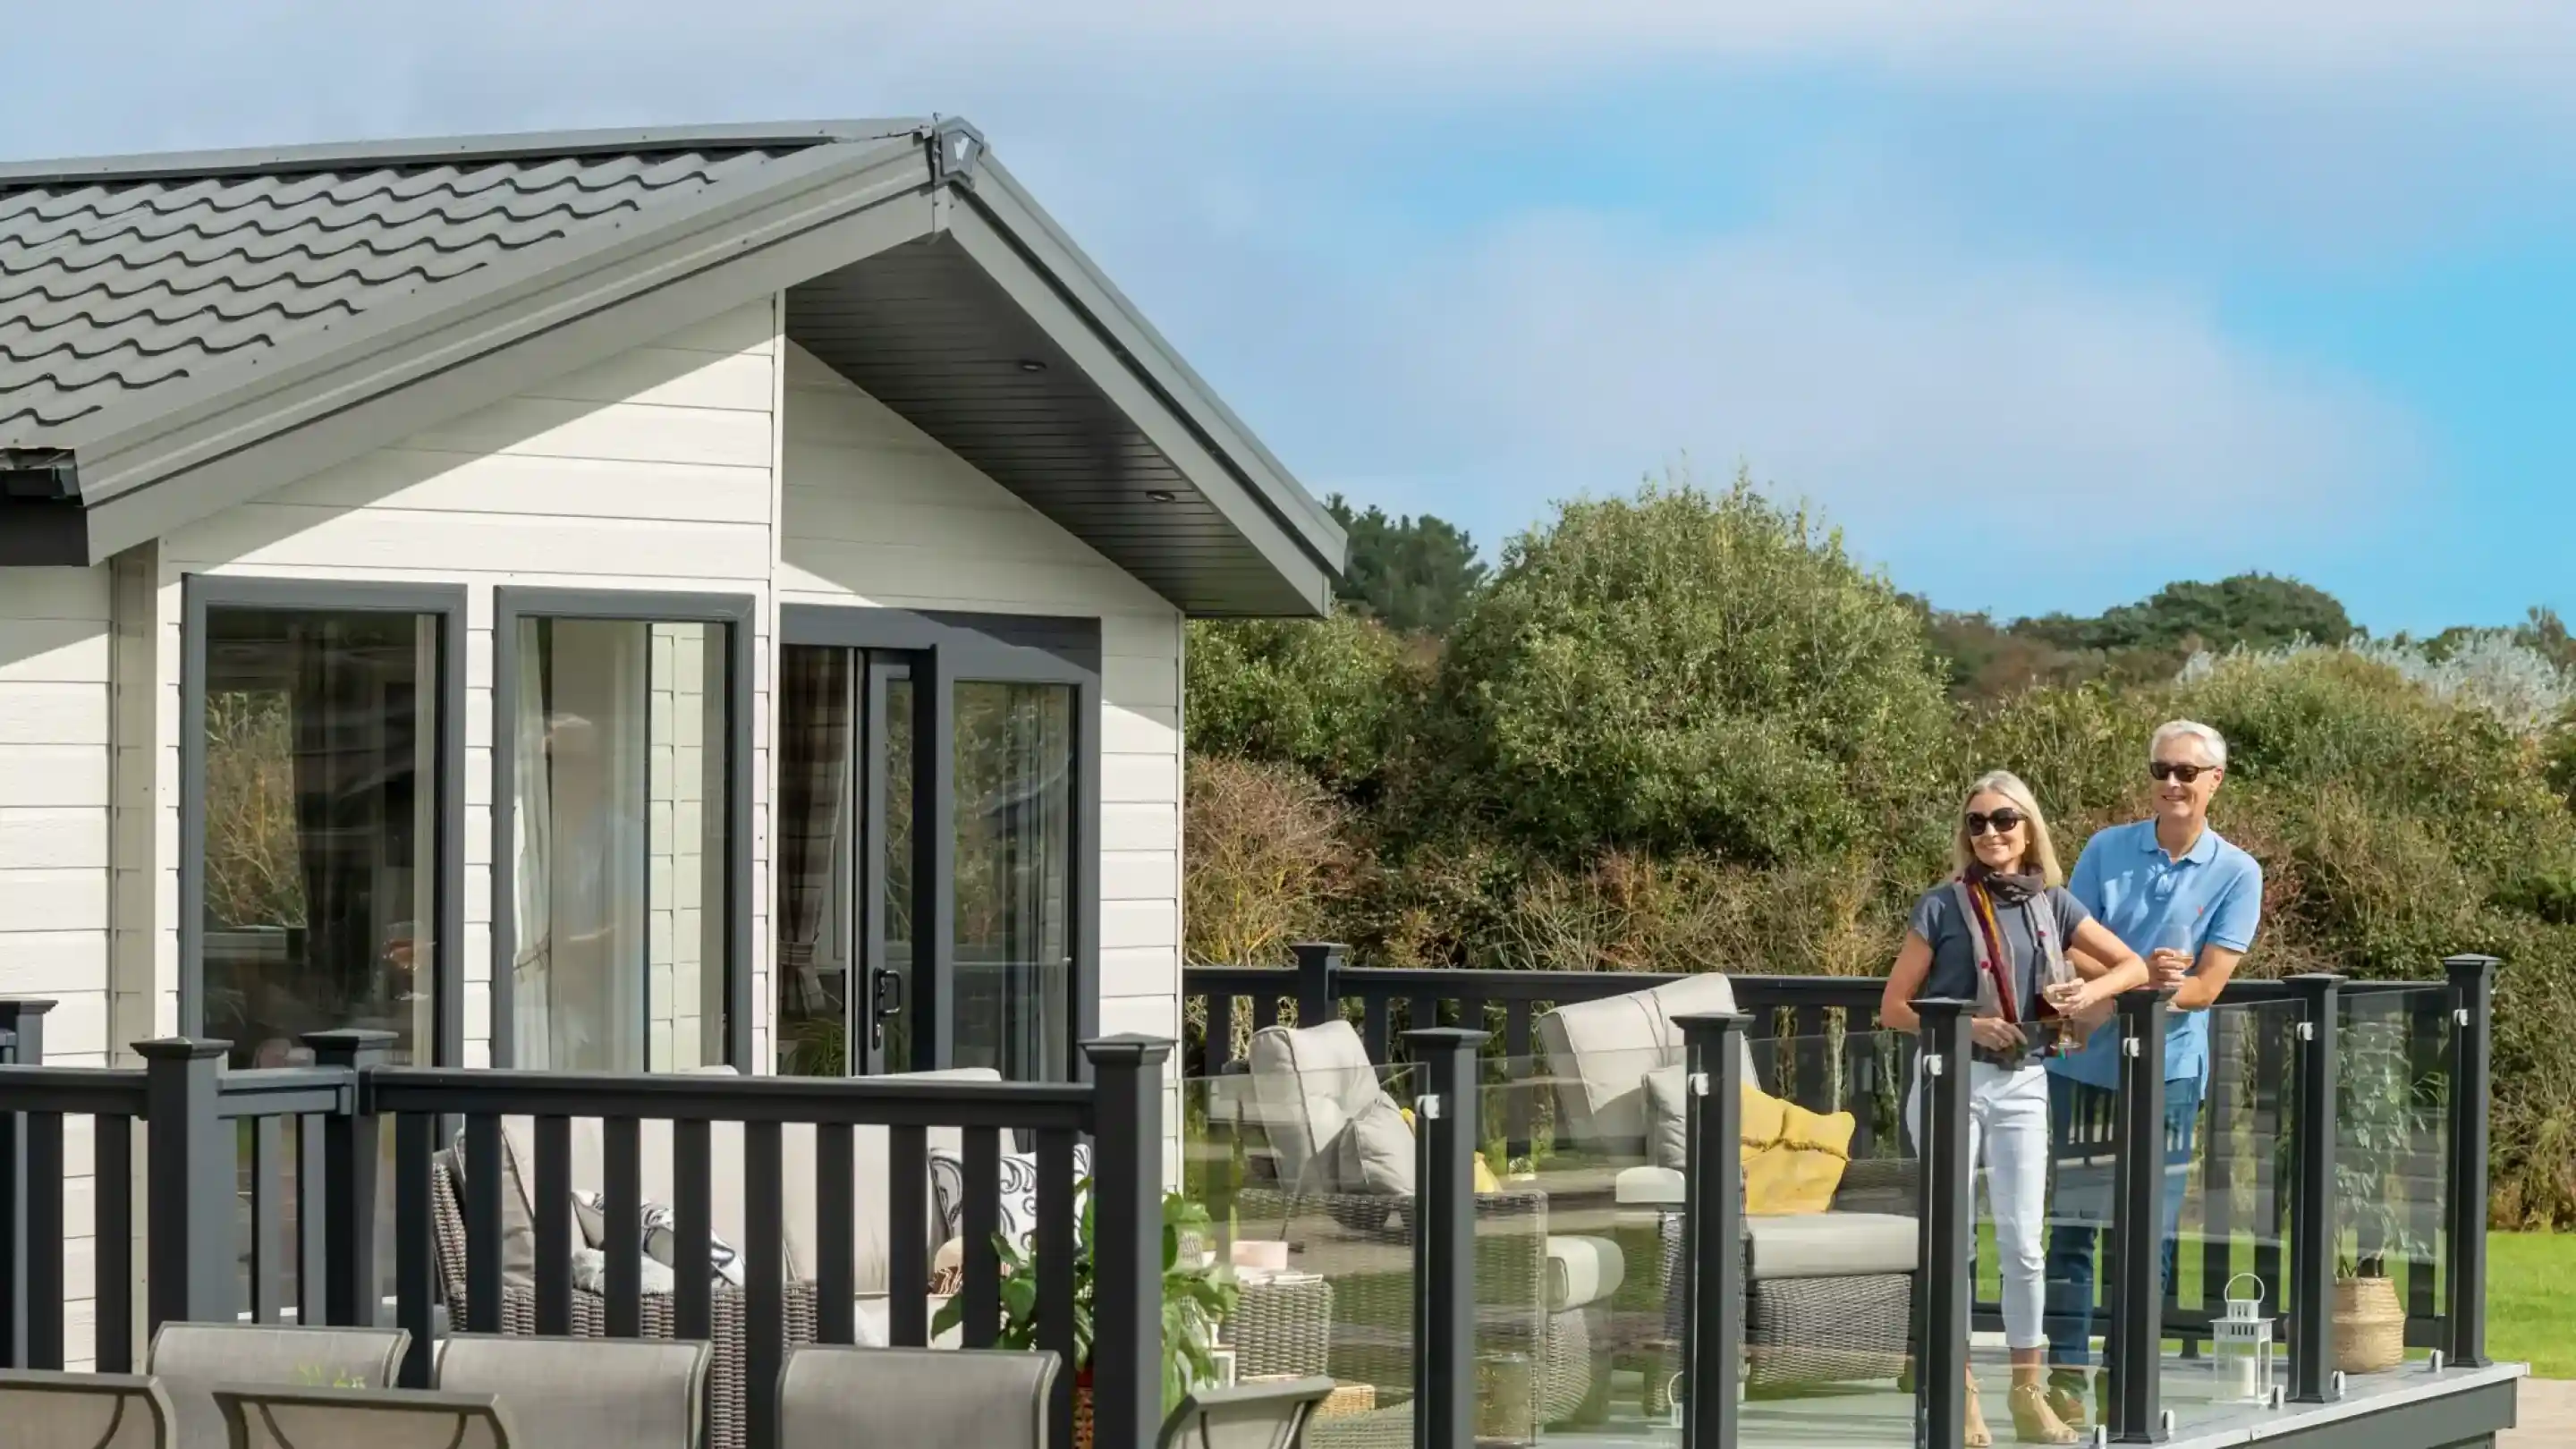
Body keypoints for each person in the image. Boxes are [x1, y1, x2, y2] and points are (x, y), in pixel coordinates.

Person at [1882, 770, 2148, 1446]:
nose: (1991, 833)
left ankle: (2028, 1392)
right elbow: (1892, 1008)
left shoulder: (2051, 904)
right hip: (1951, 1083)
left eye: (2004, 820)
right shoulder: (1942, 906)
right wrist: (1966, 1025)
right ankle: (1959, 1391)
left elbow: (2133, 968)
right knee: (1955, 1244)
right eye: (1977, 823)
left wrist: (2082, 998)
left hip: (2024, 1082)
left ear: (2028, 828)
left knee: (2024, 1247)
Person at [2040, 720, 2264, 1430]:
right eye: (2161, 770)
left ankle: (2128, 1376)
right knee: (2074, 1226)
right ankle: (2064, 1378)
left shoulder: (2238, 872)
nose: (2172, 783)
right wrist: (2140, 976)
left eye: (2186, 773)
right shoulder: (2107, 850)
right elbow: (2067, 952)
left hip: (2169, 1075)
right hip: (2086, 1066)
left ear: (2214, 783)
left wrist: (2163, 983)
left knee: (2150, 1233)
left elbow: (2207, 987)